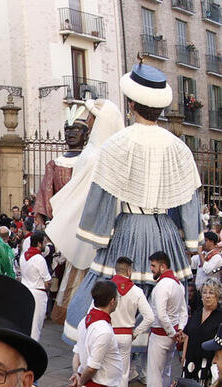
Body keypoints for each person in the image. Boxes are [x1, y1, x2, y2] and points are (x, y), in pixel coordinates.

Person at [65, 63, 201, 336]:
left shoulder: (117, 143)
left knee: (115, 283)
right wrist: (190, 239)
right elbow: (189, 197)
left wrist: (98, 234)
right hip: (164, 231)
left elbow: (101, 193)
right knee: (160, 286)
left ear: (131, 103)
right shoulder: (179, 148)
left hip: (127, 228)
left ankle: (114, 343)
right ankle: (151, 347)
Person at [141, 251, 189, 387]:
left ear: (162, 266)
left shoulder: (163, 286)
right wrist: (178, 330)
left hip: (162, 336)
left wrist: (172, 332)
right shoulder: (177, 284)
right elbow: (184, 311)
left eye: (153, 266)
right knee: (165, 373)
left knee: (155, 375)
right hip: (170, 336)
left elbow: (161, 314)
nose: (151, 269)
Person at [108, 257, 155, 387]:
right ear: (129, 271)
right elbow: (150, 317)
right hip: (126, 335)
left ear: (116, 269)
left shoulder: (107, 287)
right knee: (122, 375)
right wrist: (136, 332)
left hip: (108, 333)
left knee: (105, 371)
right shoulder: (136, 291)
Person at [181, 279, 222, 387]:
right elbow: (188, 334)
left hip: (207, 363)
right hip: (190, 361)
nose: (207, 296)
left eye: (211, 293)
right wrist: (184, 356)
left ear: (217, 295)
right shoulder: (197, 312)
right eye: (204, 292)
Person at [19, 231, 51, 340]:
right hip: (37, 293)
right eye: (44, 242)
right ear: (39, 243)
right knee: (36, 325)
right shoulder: (39, 259)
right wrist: (47, 289)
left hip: (25, 290)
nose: (45, 245)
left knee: (25, 322)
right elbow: (47, 281)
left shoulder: (23, 256)